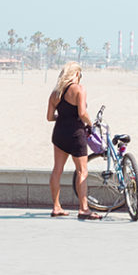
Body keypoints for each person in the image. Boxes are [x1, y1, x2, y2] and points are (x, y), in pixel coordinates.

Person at [47, 61, 100, 219]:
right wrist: (91, 124)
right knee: (82, 171)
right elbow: (82, 113)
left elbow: (50, 117)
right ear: (76, 74)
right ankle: (83, 209)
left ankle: (56, 207)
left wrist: (63, 117)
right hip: (76, 133)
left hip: (59, 133)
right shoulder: (79, 89)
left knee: (57, 169)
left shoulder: (55, 93)